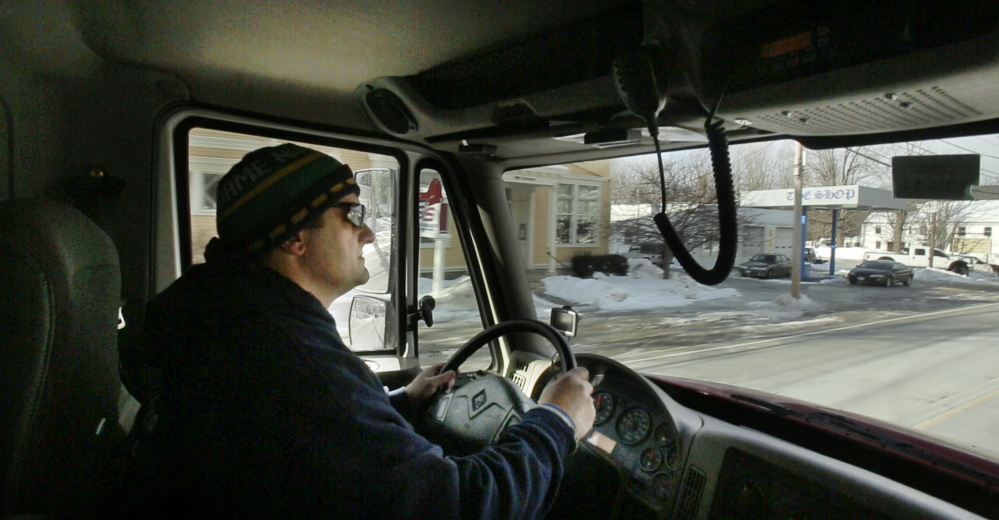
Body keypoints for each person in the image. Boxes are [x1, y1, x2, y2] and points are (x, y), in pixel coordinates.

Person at [125, 143, 596, 519]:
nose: (367, 233)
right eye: (351, 215)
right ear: (295, 236)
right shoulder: (292, 358)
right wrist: (556, 421)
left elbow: (307, 443)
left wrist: (402, 402)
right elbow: (458, 506)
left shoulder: (228, 321)